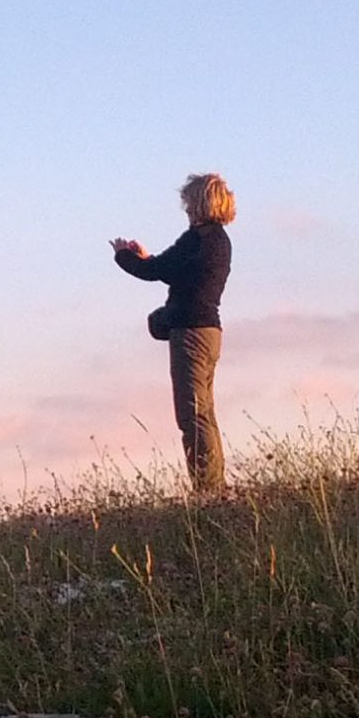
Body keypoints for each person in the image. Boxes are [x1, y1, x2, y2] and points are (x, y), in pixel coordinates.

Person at [112, 173, 235, 492]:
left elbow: (157, 271)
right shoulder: (219, 241)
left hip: (191, 334)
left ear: (198, 203)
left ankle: (208, 490)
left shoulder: (197, 240)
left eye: (188, 202)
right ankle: (214, 487)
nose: (185, 209)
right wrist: (148, 259)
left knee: (191, 415)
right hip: (210, 332)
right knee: (204, 413)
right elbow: (176, 271)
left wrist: (125, 256)